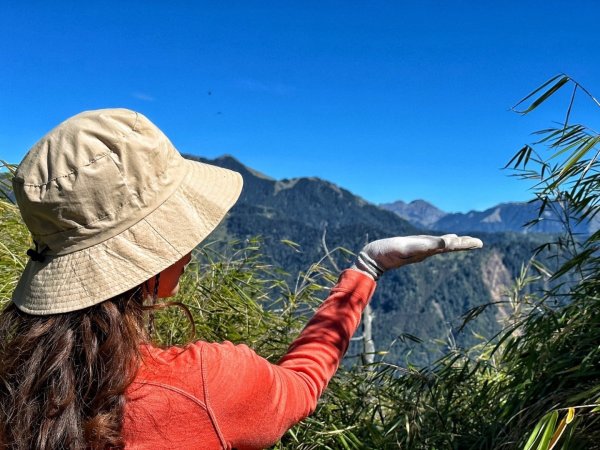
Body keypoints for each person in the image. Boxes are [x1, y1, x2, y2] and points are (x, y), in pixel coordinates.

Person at [0, 109, 482, 450]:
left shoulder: (12, 381)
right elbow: (301, 384)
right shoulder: (207, 386)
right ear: (148, 262)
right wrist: (366, 269)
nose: (188, 251)